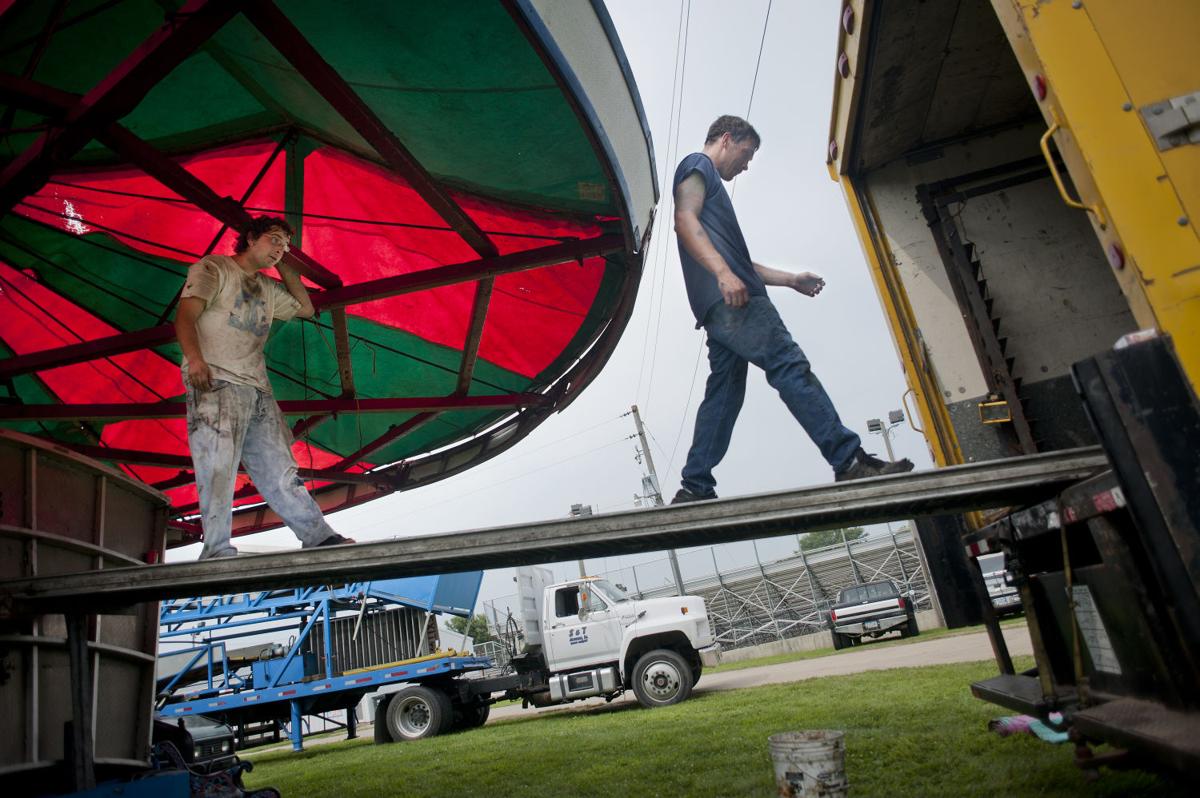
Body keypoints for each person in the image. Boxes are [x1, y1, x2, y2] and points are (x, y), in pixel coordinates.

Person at [671, 116, 914, 504]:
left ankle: (695, 487)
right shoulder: (697, 167)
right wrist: (721, 273)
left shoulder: (712, 195)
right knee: (788, 365)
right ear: (727, 139)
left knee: (724, 394)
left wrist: (789, 279)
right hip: (737, 303)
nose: (747, 165)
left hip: (721, 309)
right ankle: (848, 460)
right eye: (747, 154)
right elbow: (684, 220)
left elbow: (741, 265)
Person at [175, 216, 355, 558]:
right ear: (251, 237)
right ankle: (216, 550)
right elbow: (184, 316)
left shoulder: (268, 289)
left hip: (257, 389)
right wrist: (195, 360)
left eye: (285, 245)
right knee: (217, 465)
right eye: (274, 240)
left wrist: (286, 264)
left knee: (280, 468)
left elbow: (305, 307)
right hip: (217, 379)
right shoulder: (215, 268)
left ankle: (319, 537)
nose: (279, 249)